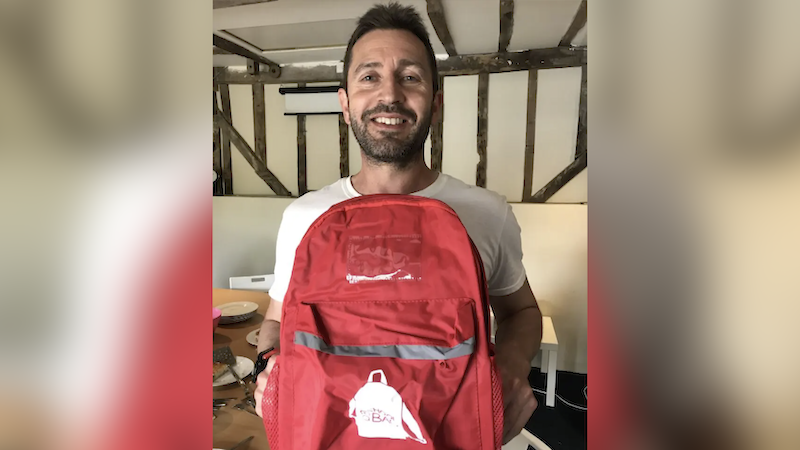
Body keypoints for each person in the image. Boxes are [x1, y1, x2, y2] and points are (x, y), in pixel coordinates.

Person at [254, 2, 542, 444]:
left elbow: (521, 311)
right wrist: (268, 366)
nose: (390, 95)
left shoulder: (488, 213)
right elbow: (278, 320)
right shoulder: (303, 218)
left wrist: (512, 368)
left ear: (435, 103)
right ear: (345, 104)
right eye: (369, 76)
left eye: (410, 77)